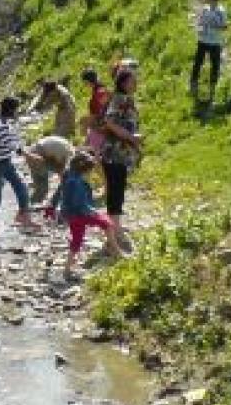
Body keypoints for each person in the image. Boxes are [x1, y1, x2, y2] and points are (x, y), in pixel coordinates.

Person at [60, 151, 124, 280]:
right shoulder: (77, 182)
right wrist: (92, 211)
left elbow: (69, 199)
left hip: (71, 216)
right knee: (107, 223)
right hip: (79, 214)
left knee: (77, 240)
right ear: (85, 170)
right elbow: (79, 203)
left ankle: (67, 270)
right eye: (89, 172)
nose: (89, 175)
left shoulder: (69, 177)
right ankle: (117, 253)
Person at [98, 69, 143, 252]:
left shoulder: (122, 98)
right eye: (133, 81)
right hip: (115, 152)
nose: (136, 83)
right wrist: (131, 137)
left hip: (119, 153)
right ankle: (115, 232)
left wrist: (132, 139)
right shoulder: (119, 99)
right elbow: (109, 121)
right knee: (116, 191)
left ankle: (115, 229)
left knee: (117, 190)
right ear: (123, 83)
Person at [0, 97, 40, 236]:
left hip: (4, 161)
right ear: (10, 110)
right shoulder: (2, 126)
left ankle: (23, 216)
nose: (17, 112)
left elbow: (10, 140)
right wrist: (30, 156)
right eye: (16, 109)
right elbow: (12, 145)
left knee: (21, 187)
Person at [190, 0, 228, 101]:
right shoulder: (205, 9)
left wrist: (214, 26)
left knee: (215, 65)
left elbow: (225, 26)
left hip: (215, 42)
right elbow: (200, 21)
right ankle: (193, 82)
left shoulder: (220, 11)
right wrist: (200, 27)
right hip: (203, 40)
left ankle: (213, 86)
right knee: (198, 62)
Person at [24, 135, 75, 217]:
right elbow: (61, 168)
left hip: (42, 152)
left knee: (46, 185)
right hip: (36, 154)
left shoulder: (69, 150)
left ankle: (36, 206)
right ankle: (30, 208)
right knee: (42, 186)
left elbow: (60, 168)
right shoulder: (65, 153)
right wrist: (63, 180)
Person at [80, 68, 111, 152]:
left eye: (85, 82)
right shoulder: (100, 89)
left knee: (86, 149)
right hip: (99, 122)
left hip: (102, 124)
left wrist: (89, 120)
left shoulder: (100, 92)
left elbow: (104, 109)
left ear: (87, 82)